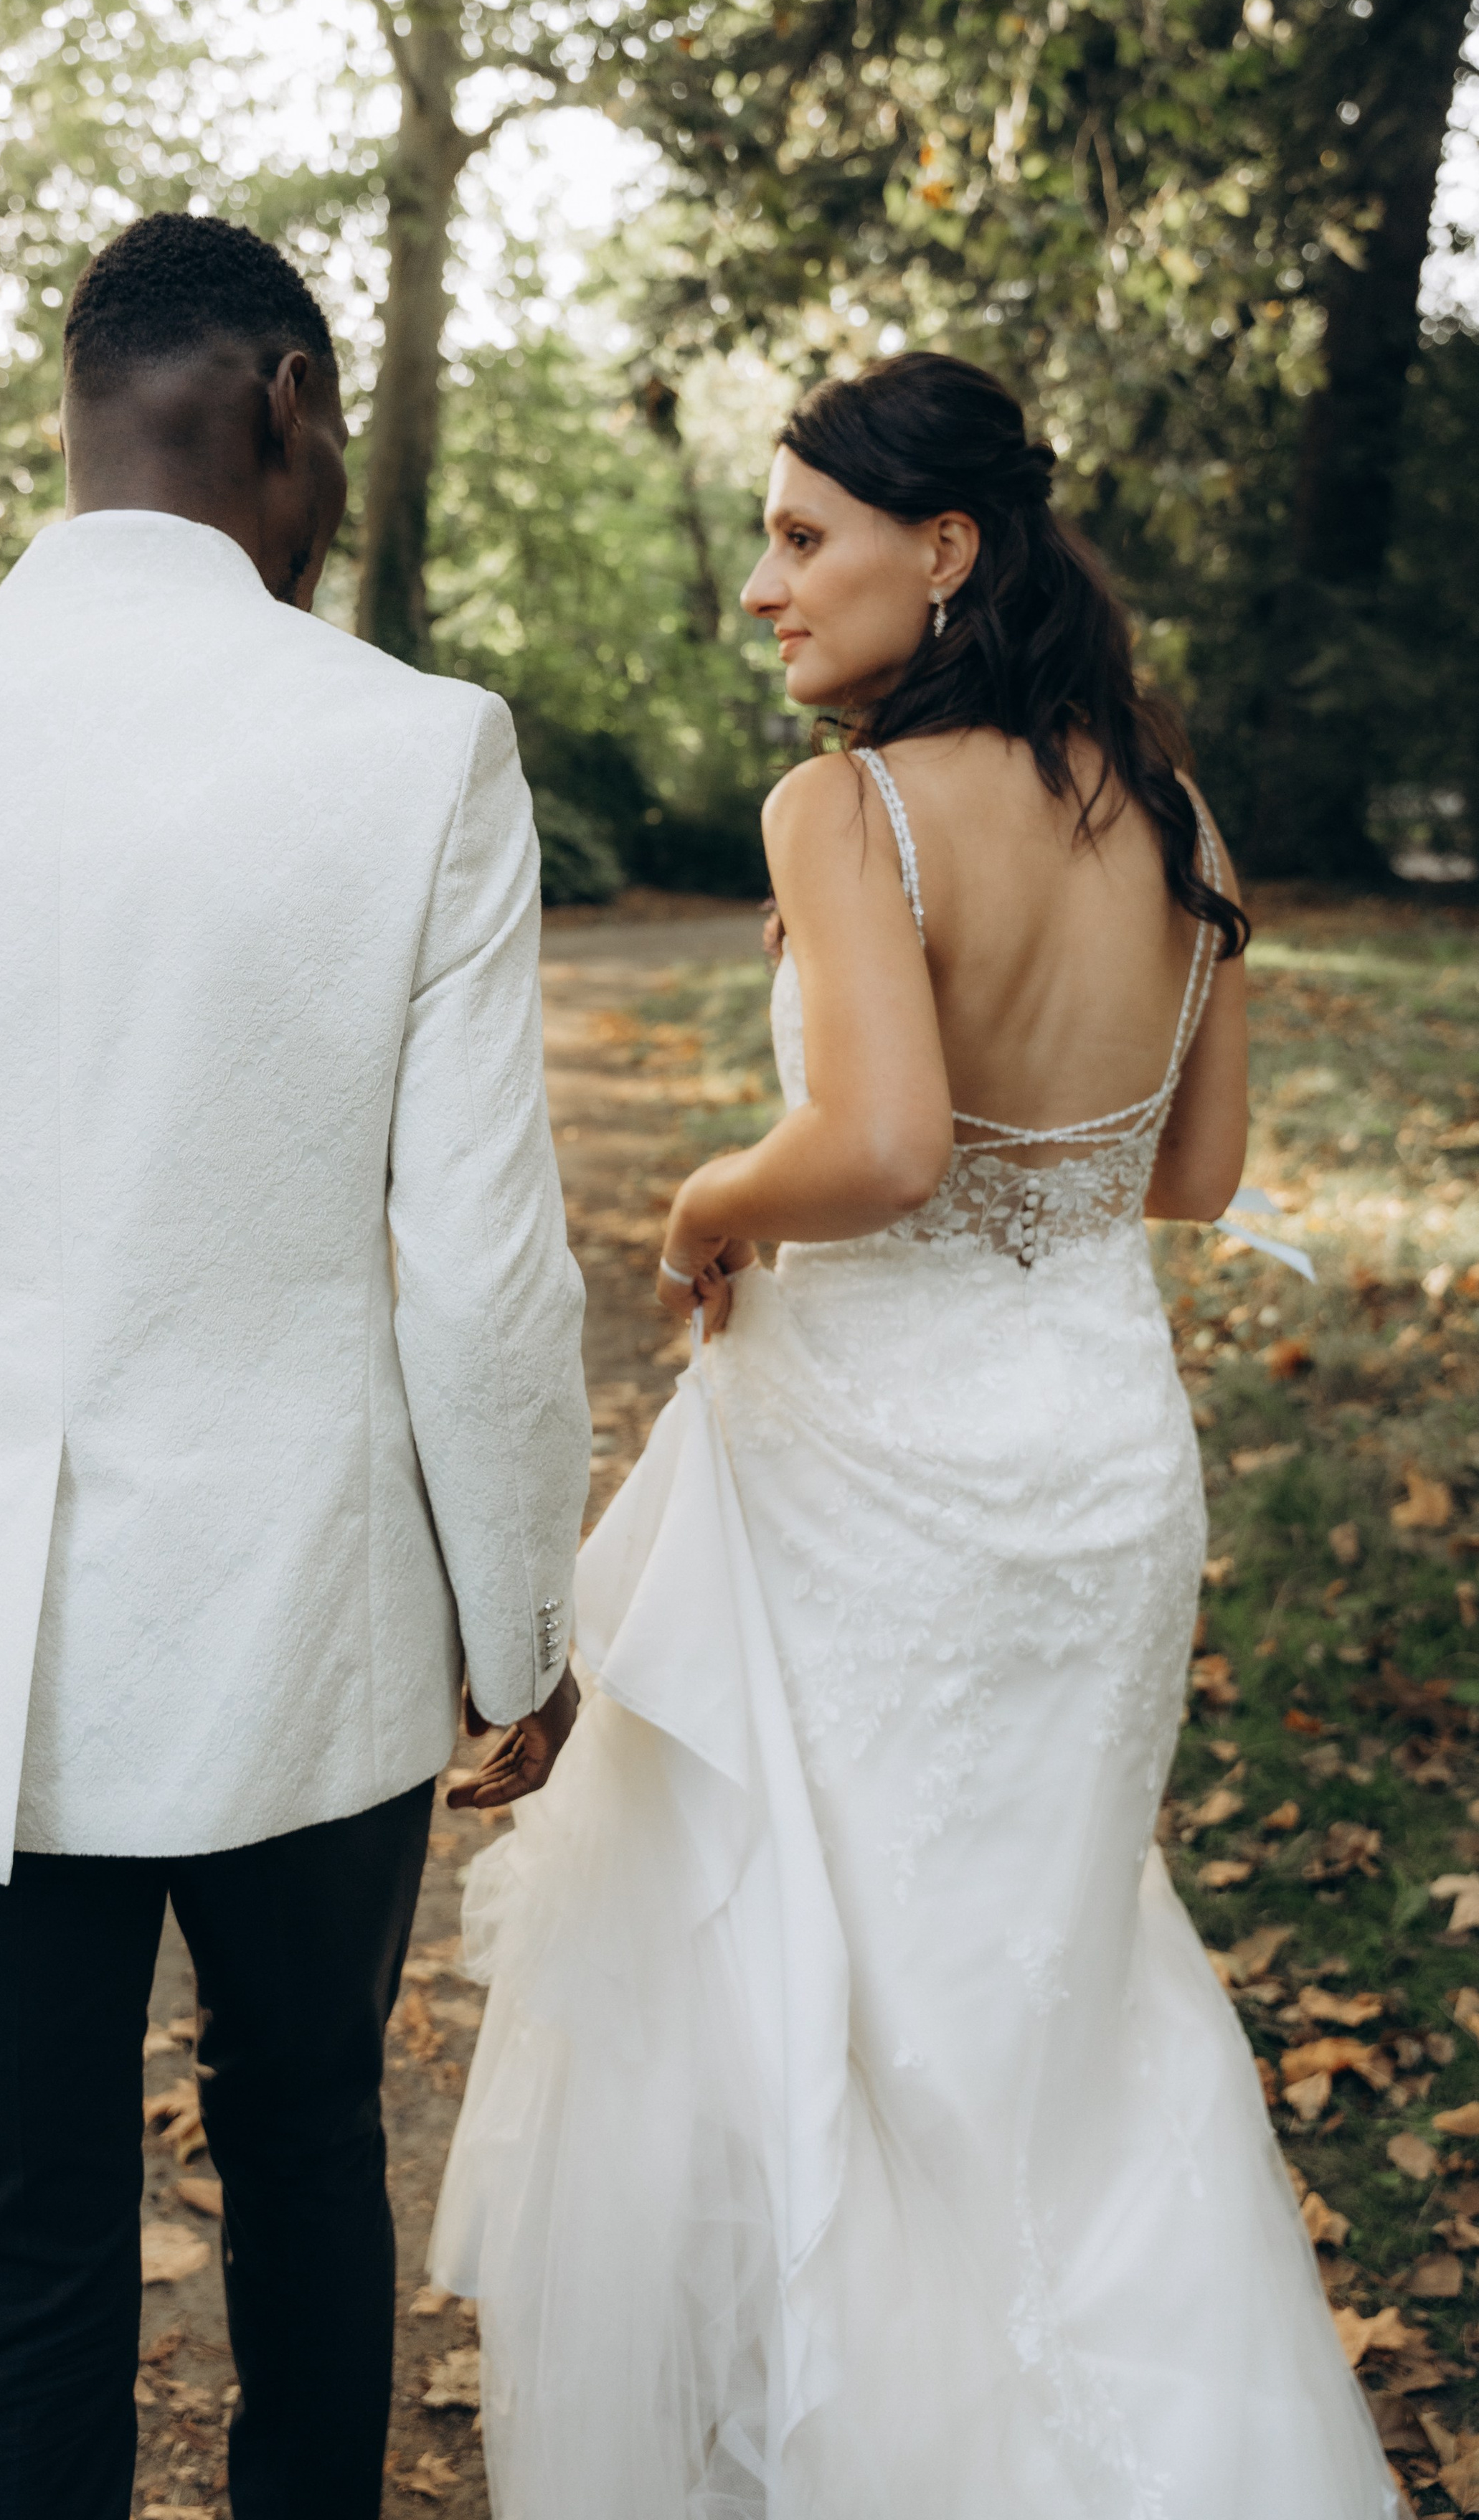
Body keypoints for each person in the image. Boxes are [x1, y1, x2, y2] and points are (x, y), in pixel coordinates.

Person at [430, 353, 1397, 2519]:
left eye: (801, 539)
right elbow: (1197, 1175)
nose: (763, 592)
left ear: (941, 551)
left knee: (835, 1989)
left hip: (878, 1468)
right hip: (1097, 1460)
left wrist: (700, 1202)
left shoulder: (848, 809)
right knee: (1049, 1991)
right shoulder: (1170, 806)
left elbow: (875, 1143)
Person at [0, 211, 590, 2520]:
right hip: (310, 1624)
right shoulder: (420, 751)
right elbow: (484, 1266)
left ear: (84, 409)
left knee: (16, 2292)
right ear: (286, 400)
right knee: (309, 2171)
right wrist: (521, 1625)